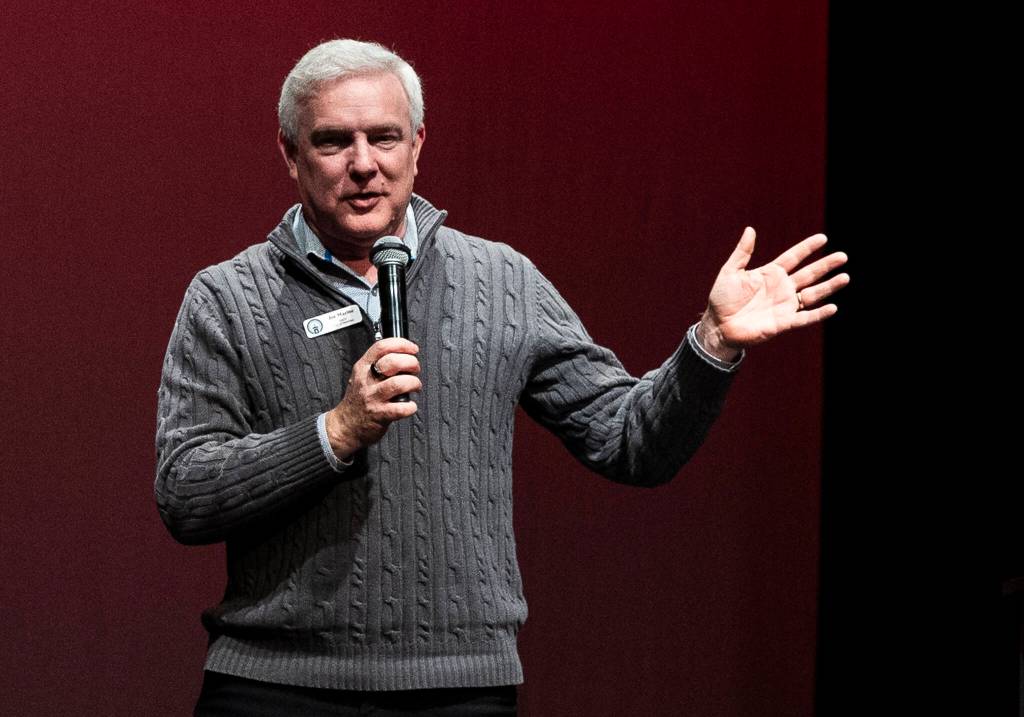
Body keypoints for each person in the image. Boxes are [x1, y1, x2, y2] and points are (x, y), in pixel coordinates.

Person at [155, 39, 848, 716]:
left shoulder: (501, 281)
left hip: (460, 686)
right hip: (274, 683)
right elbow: (185, 491)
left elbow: (630, 441)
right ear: (290, 153)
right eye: (334, 141)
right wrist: (334, 433)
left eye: (384, 137)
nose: (363, 164)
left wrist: (710, 345)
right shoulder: (228, 298)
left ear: (418, 145)